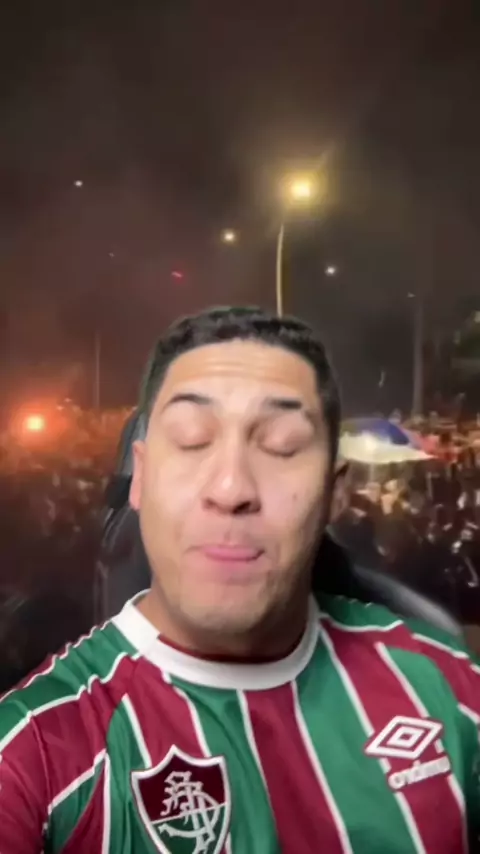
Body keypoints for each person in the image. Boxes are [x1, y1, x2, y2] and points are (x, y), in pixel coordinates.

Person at [0, 306, 479, 854]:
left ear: (335, 492)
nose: (231, 489)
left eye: (282, 445)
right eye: (191, 439)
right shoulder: (36, 751)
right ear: (141, 477)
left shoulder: (448, 688)